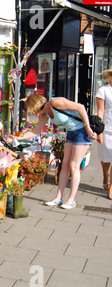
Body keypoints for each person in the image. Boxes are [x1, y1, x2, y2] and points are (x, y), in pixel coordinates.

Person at [7, 94, 97, 209]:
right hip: (71, 133)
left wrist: (88, 128)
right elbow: (35, 132)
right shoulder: (45, 114)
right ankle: (58, 197)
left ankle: (71, 199)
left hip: (83, 132)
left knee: (74, 165)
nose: (31, 112)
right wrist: (16, 138)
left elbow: (81, 107)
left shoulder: (55, 103)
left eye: (30, 109)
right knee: (65, 165)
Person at [96, 66, 112, 200]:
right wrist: (99, 131)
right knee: (106, 159)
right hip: (107, 129)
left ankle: (111, 186)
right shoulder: (103, 91)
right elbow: (100, 112)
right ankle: (105, 175)